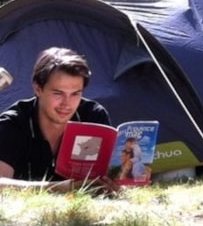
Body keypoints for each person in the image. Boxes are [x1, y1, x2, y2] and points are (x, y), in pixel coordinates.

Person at [0, 48, 119, 194]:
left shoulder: (93, 116)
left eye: (75, 94)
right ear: (38, 89)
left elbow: (109, 176)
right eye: (58, 93)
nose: (66, 104)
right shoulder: (14, 123)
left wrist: (124, 178)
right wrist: (65, 188)